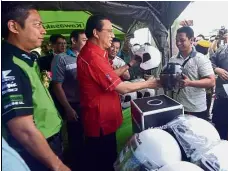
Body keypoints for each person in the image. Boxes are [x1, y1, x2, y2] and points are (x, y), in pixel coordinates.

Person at [77, 15, 159, 171]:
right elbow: (121, 87)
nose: (113, 35)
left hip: (104, 119)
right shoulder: (93, 57)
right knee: (104, 163)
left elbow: (109, 75)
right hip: (100, 122)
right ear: (96, 32)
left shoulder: (97, 53)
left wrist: (130, 63)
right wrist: (150, 83)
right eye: (109, 31)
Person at [1, 2, 70, 171]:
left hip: (51, 139)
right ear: (14, 26)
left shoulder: (27, 58)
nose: (43, 31)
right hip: (35, 149)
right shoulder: (8, 64)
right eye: (37, 24)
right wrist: (58, 166)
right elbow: (23, 130)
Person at [51, 29, 87, 171]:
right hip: (73, 105)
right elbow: (56, 86)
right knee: (75, 139)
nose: (86, 42)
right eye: (83, 40)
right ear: (73, 41)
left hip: (88, 104)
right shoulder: (61, 59)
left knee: (89, 138)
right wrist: (68, 108)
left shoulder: (87, 57)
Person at [169, 27, 215, 121]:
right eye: (176, 40)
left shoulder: (201, 59)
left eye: (182, 40)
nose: (178, 43)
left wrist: (189, 83)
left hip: (195, 108)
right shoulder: (172, 59)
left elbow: (211, 81)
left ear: (191, 40)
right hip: (177, 106)